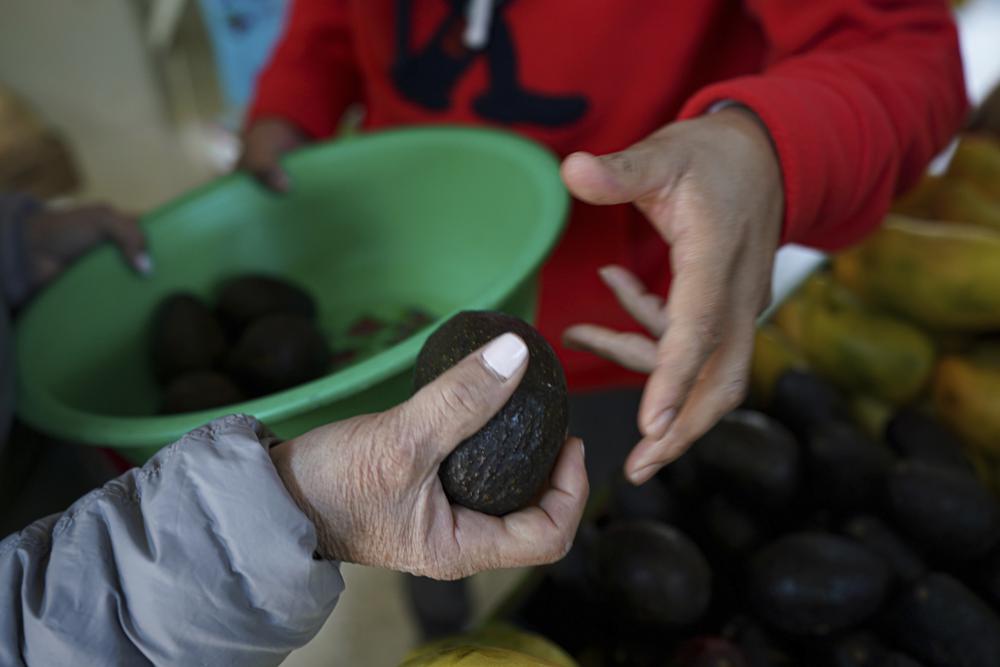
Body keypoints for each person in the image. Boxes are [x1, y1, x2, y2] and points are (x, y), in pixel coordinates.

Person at [240, 0, 968, 486]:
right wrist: (290, 105)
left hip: (616, 350)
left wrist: (763, 145)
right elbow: (330, 19)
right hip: (390, 321)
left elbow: (907, 50)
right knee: (427, 545)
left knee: (603, 531)